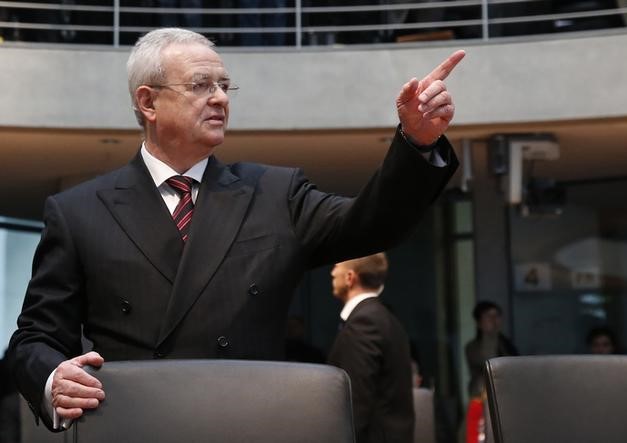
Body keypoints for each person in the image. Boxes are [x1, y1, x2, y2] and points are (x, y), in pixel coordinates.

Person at [7, 28, 463, 431]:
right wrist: (52, 378)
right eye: (201, 85)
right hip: (135, 424)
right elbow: (35, 337)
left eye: (225, 86)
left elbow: (372, 223)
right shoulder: (79, 211)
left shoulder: (275, 193)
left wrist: (415, 143)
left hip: (249, 422)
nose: (221, 98)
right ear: (148, 101)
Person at [327, 253, 414, 443]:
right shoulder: (383, 317)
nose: (332, 272)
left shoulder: (365, 321)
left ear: (350, 277)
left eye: (336, 266)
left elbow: (356, 400)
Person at [464, 300, 518, 399]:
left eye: (497, 316)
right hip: (482, 395)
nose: (494, 320)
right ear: (479, 323)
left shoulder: (506, 344)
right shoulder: (472, 347)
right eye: (488, 316)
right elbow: (486, 364)